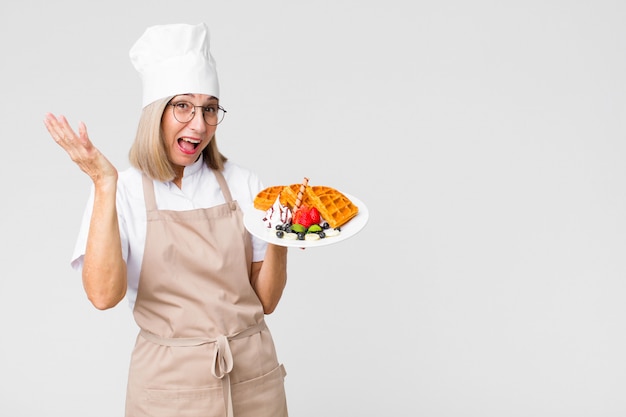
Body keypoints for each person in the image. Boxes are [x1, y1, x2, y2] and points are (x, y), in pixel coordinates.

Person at [43, 23, 289, 417]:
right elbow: (103, 296)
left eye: (210, 108)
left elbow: (267, 301)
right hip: (167, 388)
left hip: (252, 376)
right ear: (155, 112)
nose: (199, 124)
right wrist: (103, 183)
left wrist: (280, 230)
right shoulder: (120, 191)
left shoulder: (246, 184)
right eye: (183, 106)